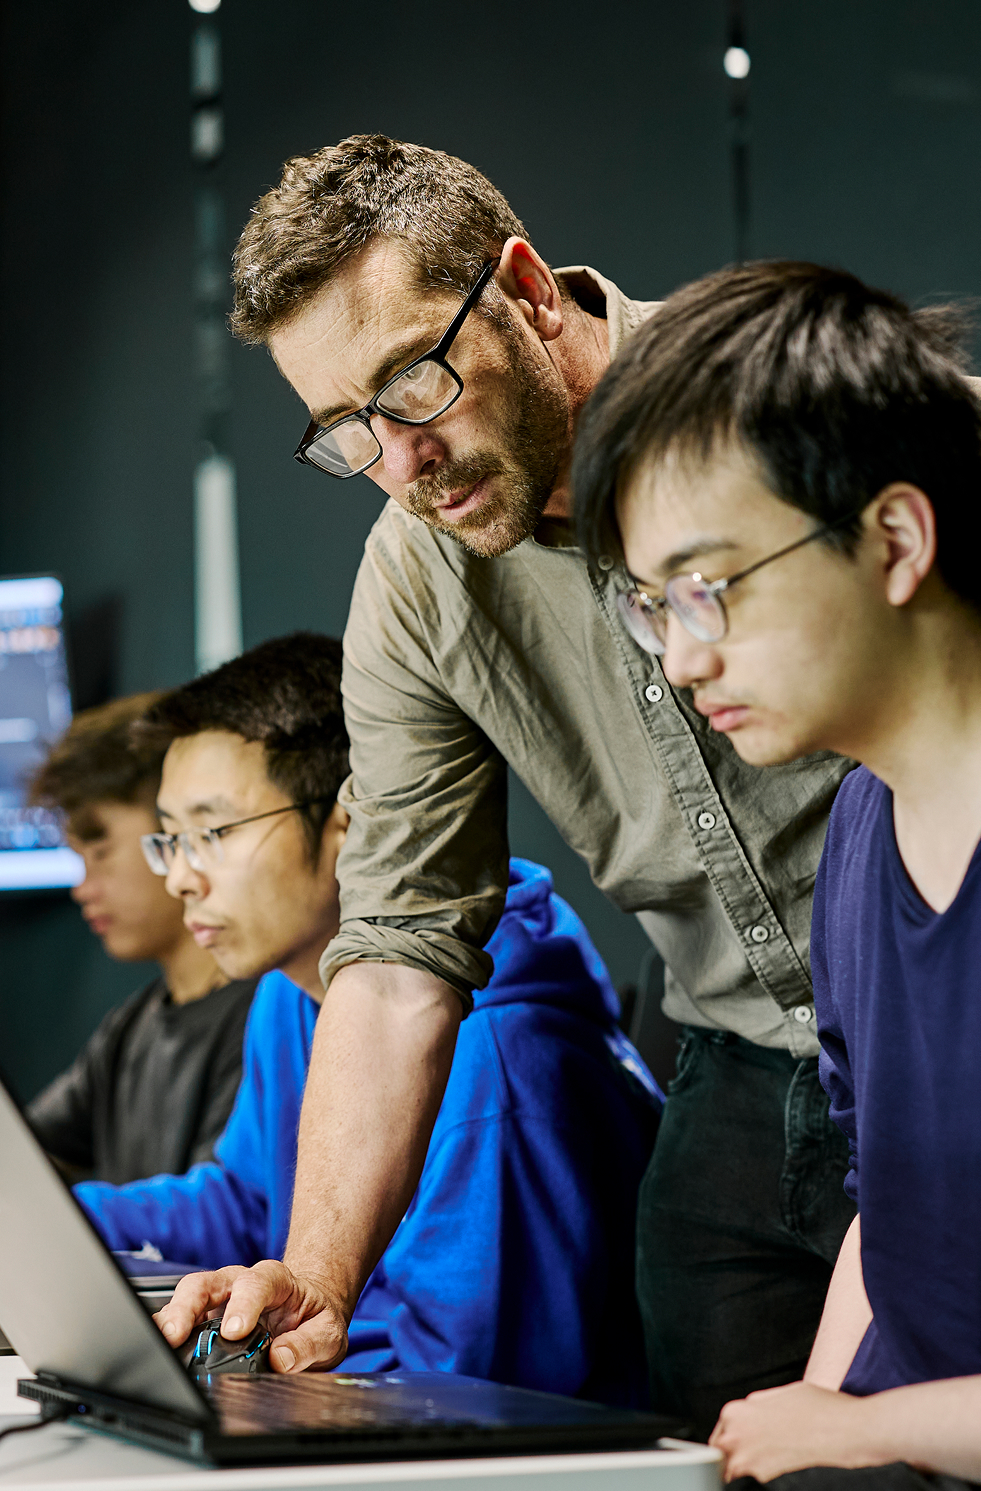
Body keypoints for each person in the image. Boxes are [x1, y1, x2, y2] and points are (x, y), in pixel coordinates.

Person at [159, 135, 854, 1432]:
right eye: (345, 431)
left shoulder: (784, 391)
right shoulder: (415, 582)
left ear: (528, 291)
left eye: (414, 385)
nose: (399, 465)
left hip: (945, 1023)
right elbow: (402, 936)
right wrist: (318, 1271)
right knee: (734, 1452)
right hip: (738, 1071)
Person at [572, 260, 981, 1484]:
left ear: (896, 536)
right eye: (654, 611)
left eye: (709, 592)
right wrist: (806, 1424)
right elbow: (886, 1222)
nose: (685, 663)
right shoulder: (863, 829)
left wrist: (867, 1429)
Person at [85, 632, 660, 1404]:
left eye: (213, 833)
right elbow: (253, 1202)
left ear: (351, 823)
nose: (183, 877)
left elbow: (462, 1381)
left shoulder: (501, 1057)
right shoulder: (290, 992)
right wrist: (59, 1225)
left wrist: (250, 1377)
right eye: (171, 839)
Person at [25, 693, 257, 1184]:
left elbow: (224, 1213)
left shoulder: (267, 1015)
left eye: (101, 850)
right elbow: (27, 1150)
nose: (81, 888)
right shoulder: (129, 1029)